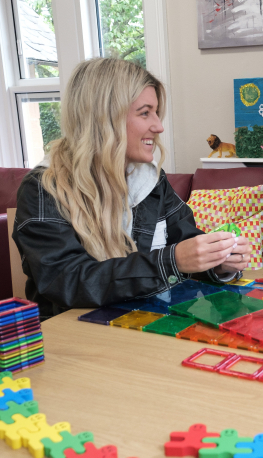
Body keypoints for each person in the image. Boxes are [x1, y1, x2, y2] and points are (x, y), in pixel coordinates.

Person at [13, 58, 250, 318]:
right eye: (145, 112)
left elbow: (185, 245)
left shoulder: (152, 180)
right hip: (75, 337)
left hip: (148, 324)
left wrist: (218, 263)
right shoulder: (43, 188)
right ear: (103, 118)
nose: (158, 126)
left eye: (156, 112)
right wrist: (171, 261)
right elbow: (66, 281)